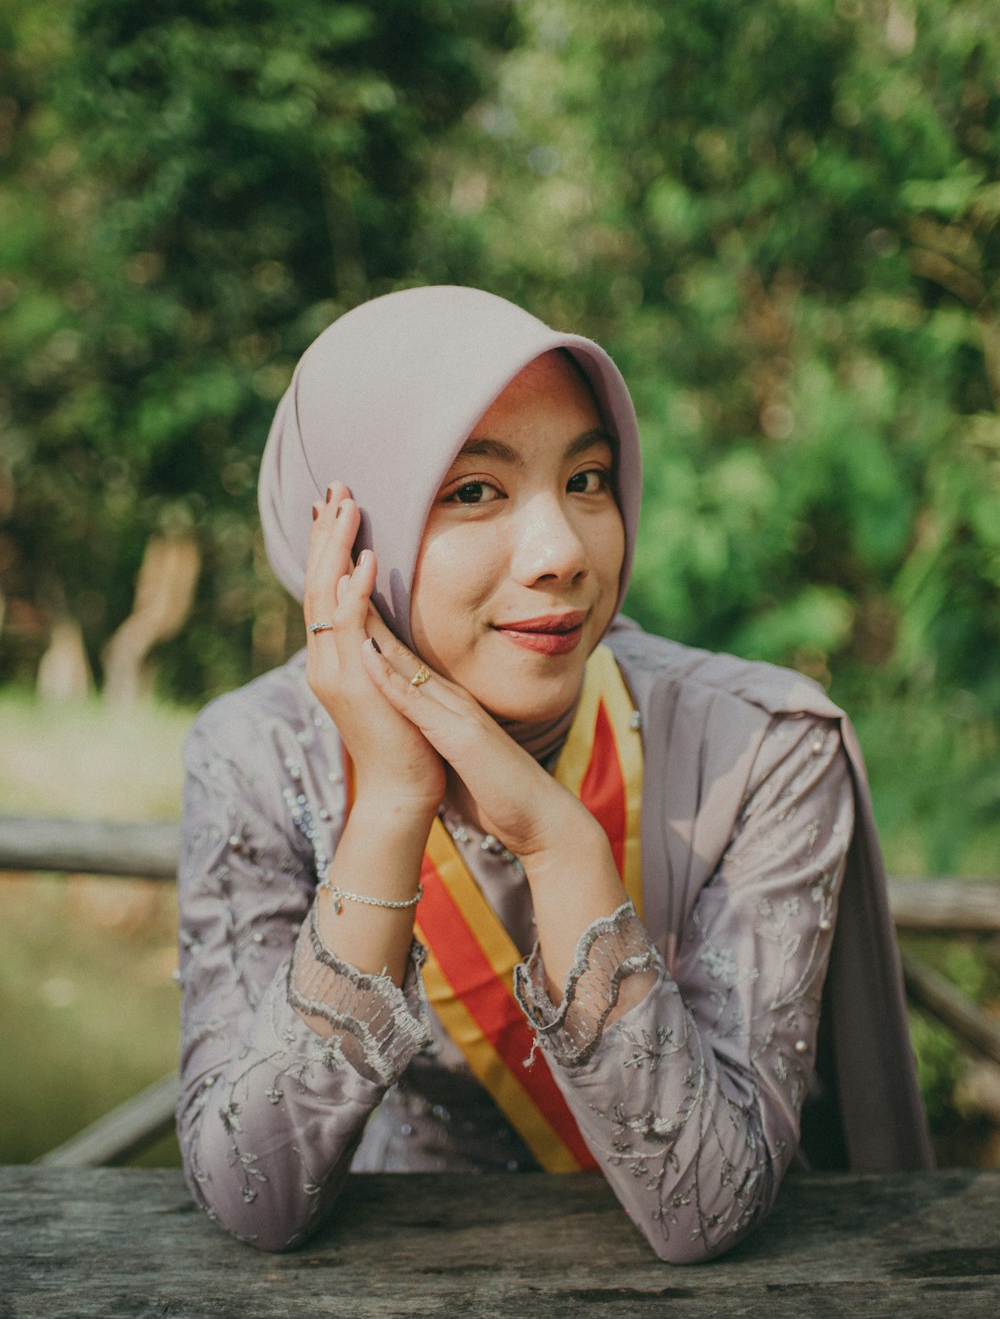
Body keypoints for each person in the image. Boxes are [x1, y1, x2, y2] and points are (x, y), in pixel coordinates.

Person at [177, 286, 931, 1261]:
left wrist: (560, 842)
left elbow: (704, 1206)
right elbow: (256, 1199)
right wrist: (394, 802)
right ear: (347, 536)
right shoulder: (259, 749)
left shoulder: (762, 748)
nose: (564, 552)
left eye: (588, 477)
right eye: (474, 490)